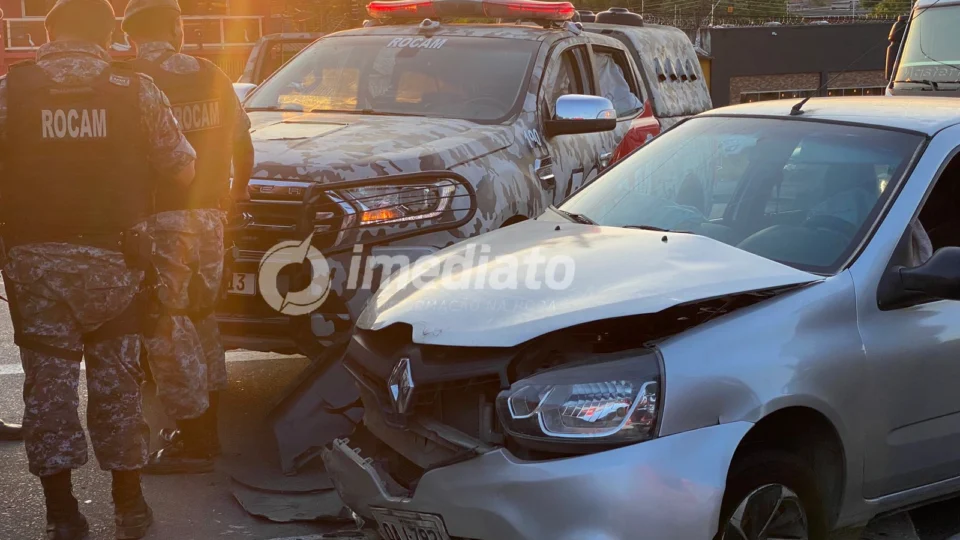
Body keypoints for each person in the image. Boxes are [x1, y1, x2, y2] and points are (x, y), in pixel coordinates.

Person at [0, 0, 196, 537]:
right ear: (110, 34)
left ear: (48, 33)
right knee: (118, 388)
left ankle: (63, 516)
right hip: (117, 264)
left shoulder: (11, 91)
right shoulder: (135, 90)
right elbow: (183, 167)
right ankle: (130, 509)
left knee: (48, 389)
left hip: (34, 267)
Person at [122, 0, 254, 475]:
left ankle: (195, 441)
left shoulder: (129, 80)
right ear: (175, 28)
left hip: (158, 220)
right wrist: (232, 202)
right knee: (201, 319)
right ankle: (208, 429)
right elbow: (243, 142)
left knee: (165, 326)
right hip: (210, 217)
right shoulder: (210, 73)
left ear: (131, 34)